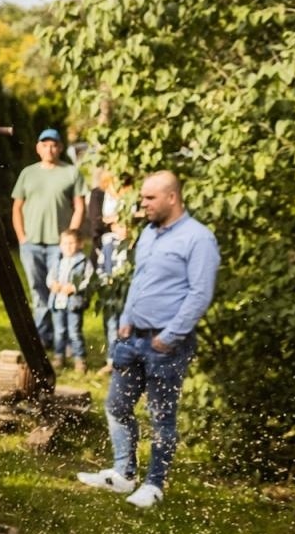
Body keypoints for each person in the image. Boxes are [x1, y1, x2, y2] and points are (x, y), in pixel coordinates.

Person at [78, 171, 219, 509]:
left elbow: (200, 294)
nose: (142, 204)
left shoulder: (198, 239)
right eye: (142, 197)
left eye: (149, 198)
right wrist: (125, 320)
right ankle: (123, 472)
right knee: (116, 406)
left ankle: (154, 484)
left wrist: (170, 337)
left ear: (172, 198)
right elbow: (138, 281)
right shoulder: (148, 235)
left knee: (161, 416)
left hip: (167, 344)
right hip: (132, 340)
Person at [11, 129, 85, 350]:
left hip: (59, 245)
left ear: (60, 148)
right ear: (38, 148)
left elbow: (80, 207)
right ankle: (42, 339)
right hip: (31, 244)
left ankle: (63, 341)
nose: (49, 149)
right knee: (38, 291)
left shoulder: (71, 172)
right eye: (45, 145)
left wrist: (70, 238)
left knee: (59, 288)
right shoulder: (28, 173)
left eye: (54, 145)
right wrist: (22, 237)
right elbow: (17, 207)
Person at [47, 228, 93, 373]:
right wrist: (53, 284)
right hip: (58, 302)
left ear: (80, 244)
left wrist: (75, 287)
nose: (68, 246)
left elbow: (89, 279)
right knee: (59, 331)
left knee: (74, 332)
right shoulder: (58, 261)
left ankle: (79, 359)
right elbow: (50, 278)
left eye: (72, 243)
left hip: (74, 303)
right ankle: (59, 356)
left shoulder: (83, 261)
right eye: (65, 243)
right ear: (60, 245)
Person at [95, 215, 130, 372]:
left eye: (127, 226)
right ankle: (111, 360)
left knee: (127, 326)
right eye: (121, 226)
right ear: (113, 227)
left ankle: (127, 361)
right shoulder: (108, 246)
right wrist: (106, 281)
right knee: (111, 326)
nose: (125, 230)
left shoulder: (133, 247)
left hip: (127, 294)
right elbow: (100, 268)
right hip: (110, 294)